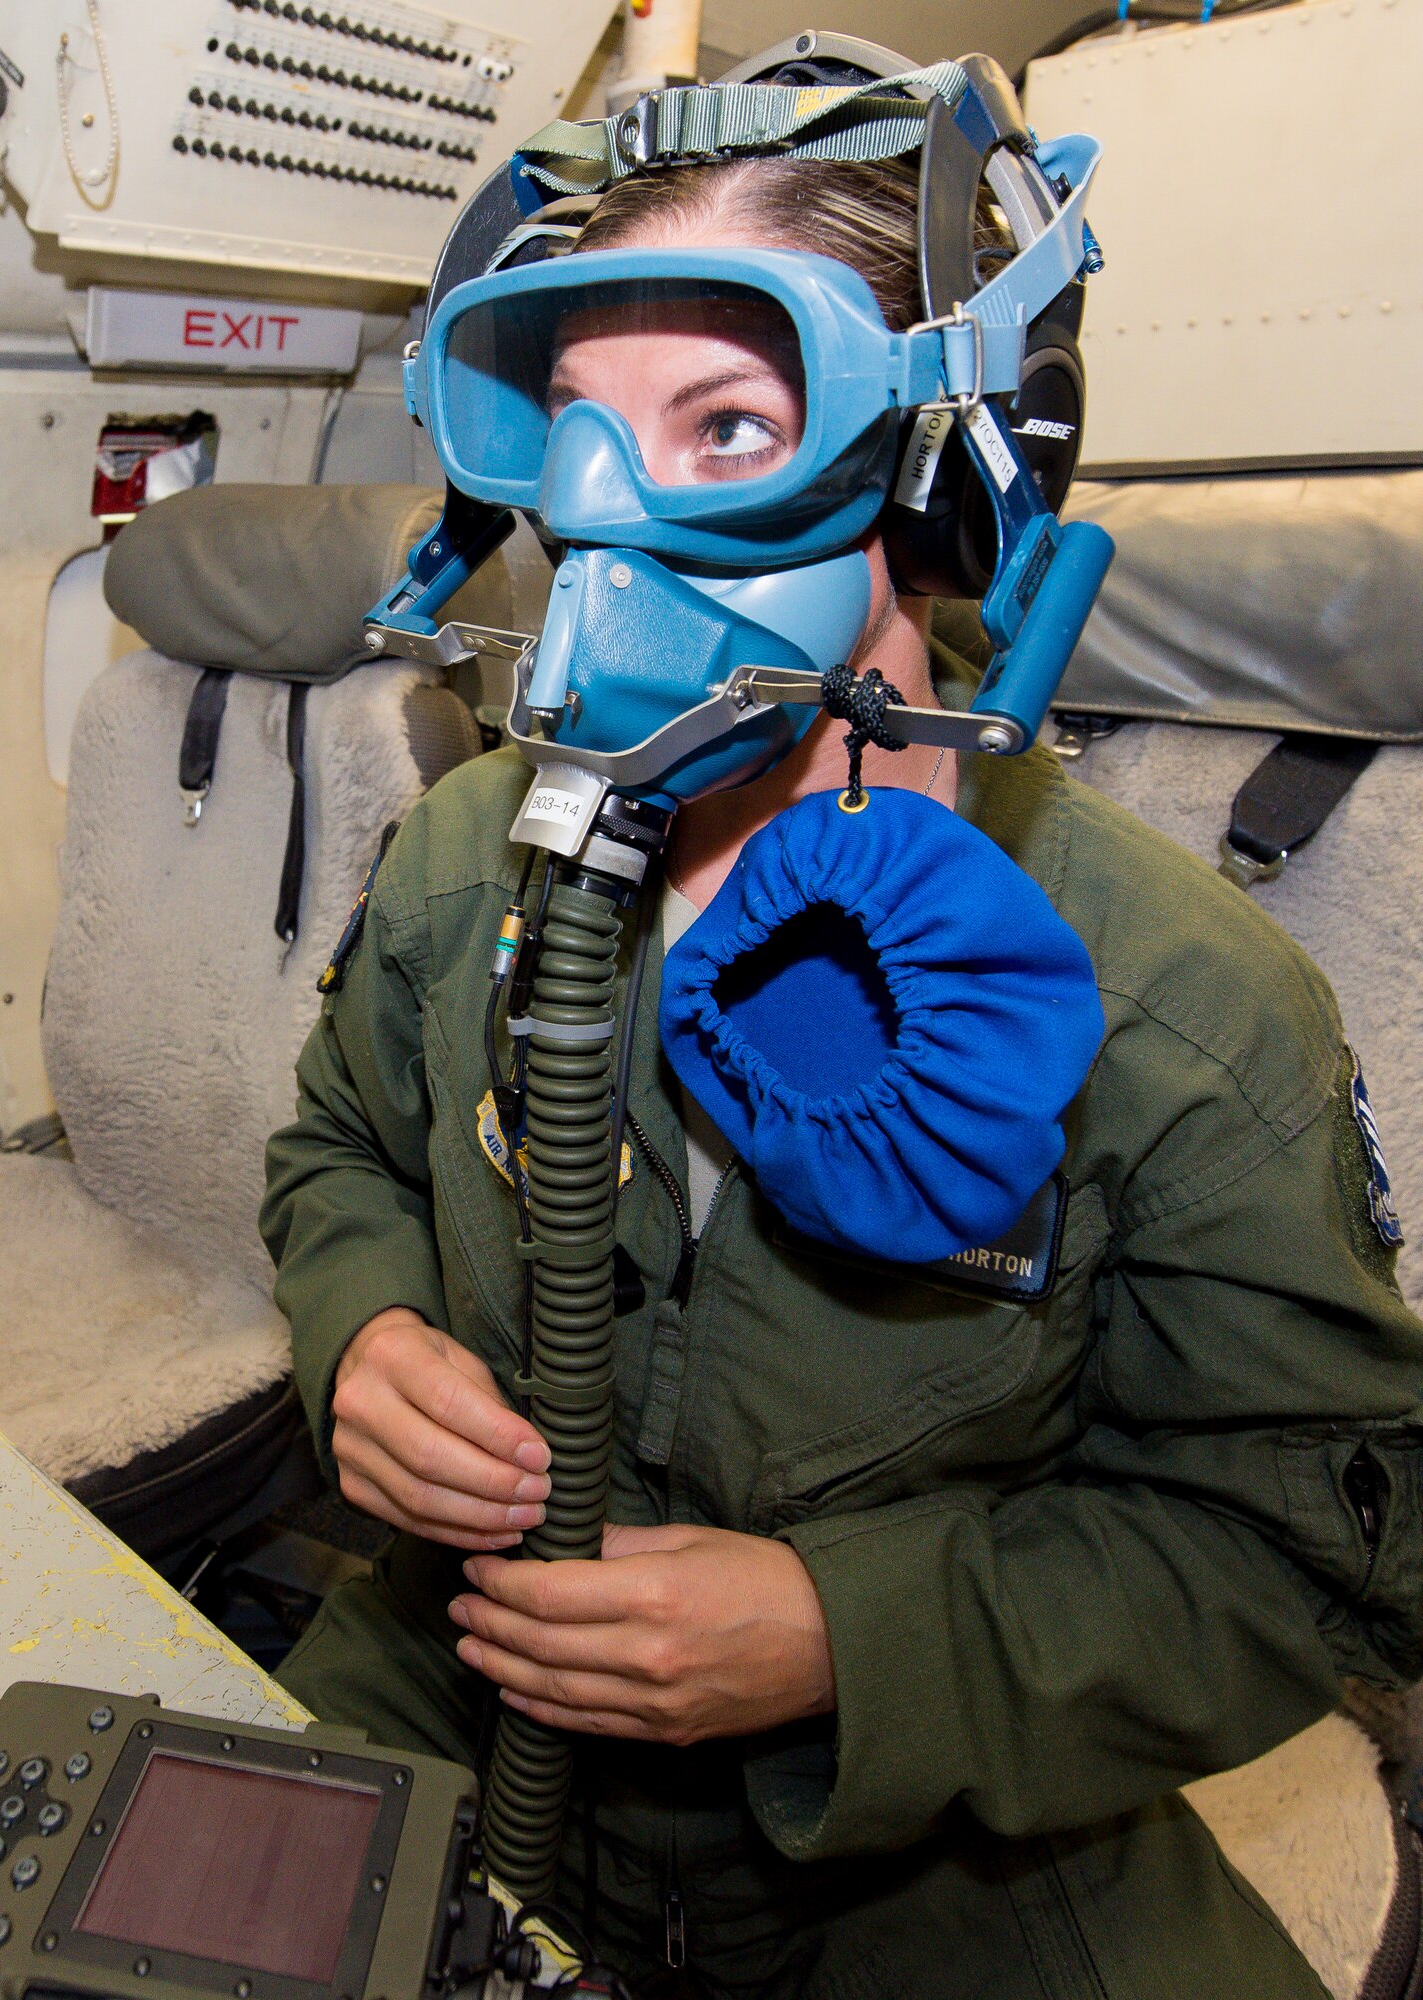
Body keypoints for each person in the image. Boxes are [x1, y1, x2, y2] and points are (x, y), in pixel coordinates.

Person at [260, 147, 1423, 2000]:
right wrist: (368, 1335)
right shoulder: (470, 857)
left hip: (937, 1821)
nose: (607, 517)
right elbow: (336, 1153)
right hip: (465, 1671)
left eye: (724, 426)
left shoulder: (1184, 1007)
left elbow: (1311, 1559)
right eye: (573, 429)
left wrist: (846, 1640)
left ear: (942, 497)